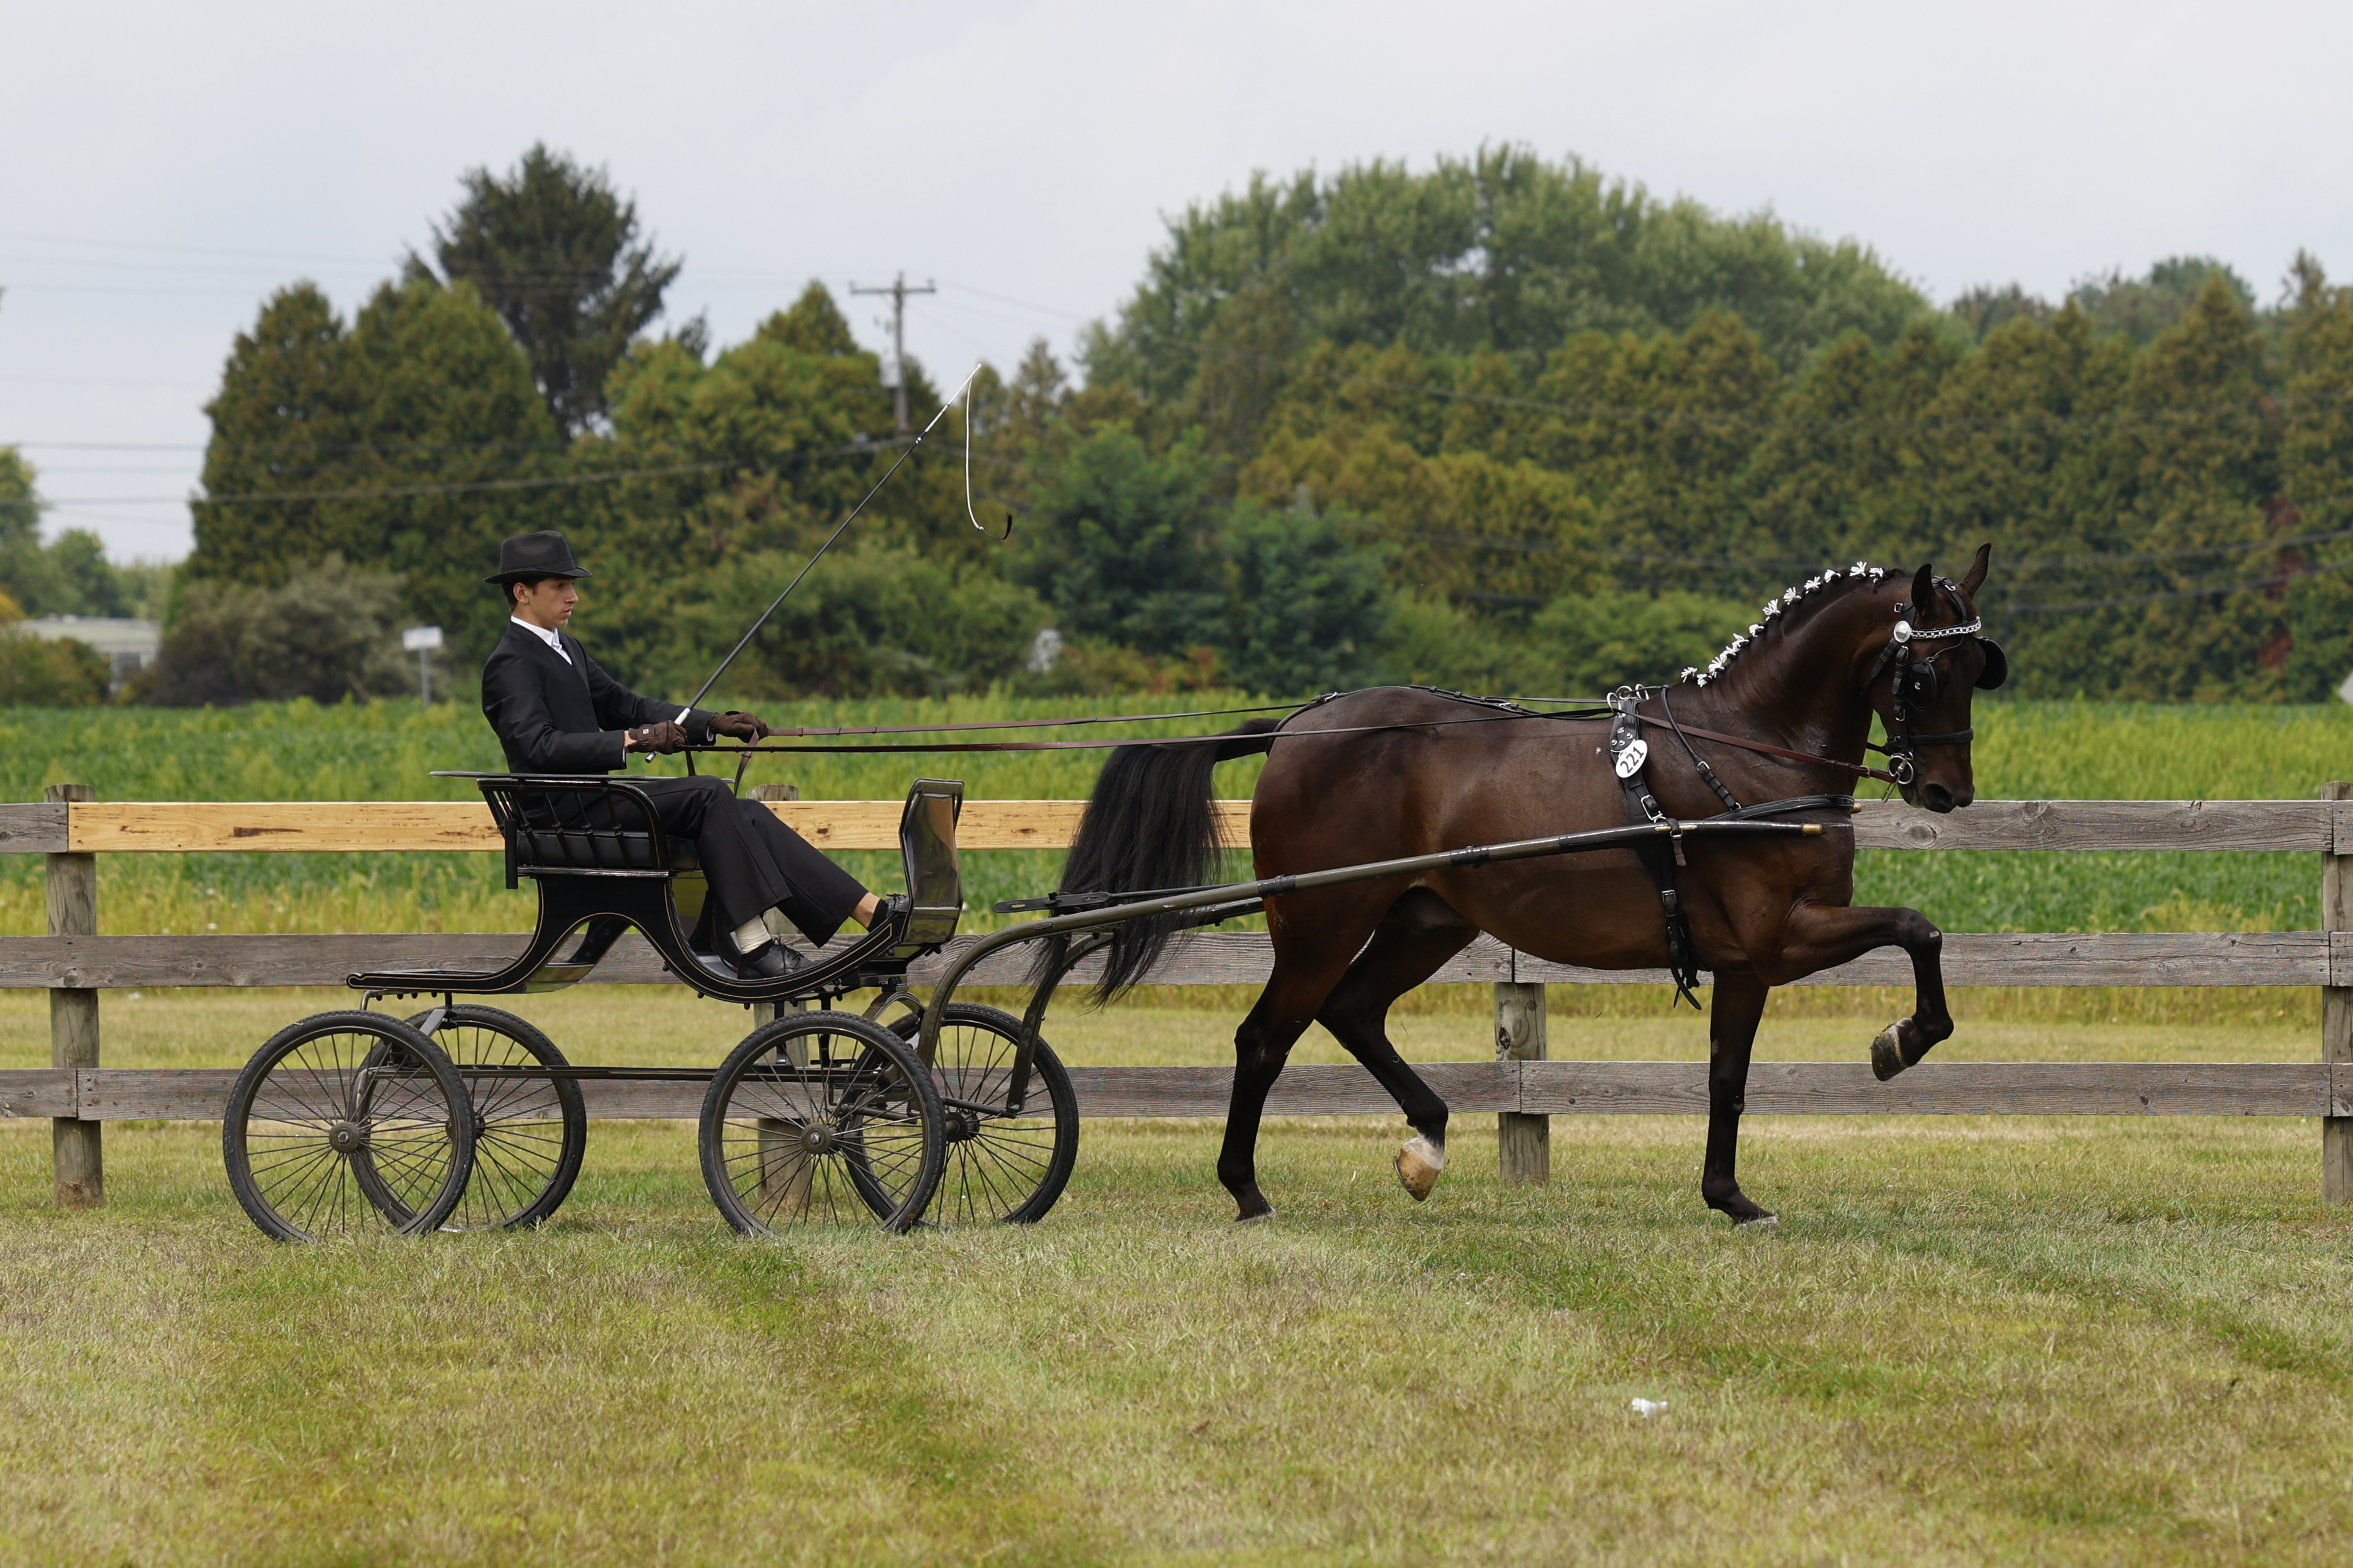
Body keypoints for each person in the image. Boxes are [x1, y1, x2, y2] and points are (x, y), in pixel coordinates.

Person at [478, 529, 879, 980]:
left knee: (744, 811)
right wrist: (633, 739)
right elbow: (539, 746)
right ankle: (753, 946)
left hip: (598, 799)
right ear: (521, 592)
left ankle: (871, 913)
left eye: (572, 585)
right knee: (708, 794)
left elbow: (626, 704)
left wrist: (710, 723)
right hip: (565, 814)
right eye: (560, 586)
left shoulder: (566, 647)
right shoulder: (511, 661)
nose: (574, 596)